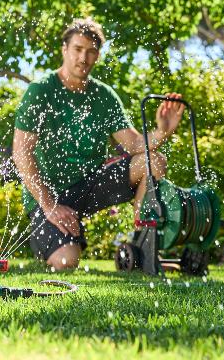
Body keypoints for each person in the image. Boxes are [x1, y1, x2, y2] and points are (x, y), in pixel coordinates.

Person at [12, 17, 185, 271]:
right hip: (48, 194)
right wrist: (50, 206)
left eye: (91, 51)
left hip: (90, 184)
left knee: (153, 161)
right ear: (64, 50)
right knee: (66, 261)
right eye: (78, 49)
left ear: (98, 55)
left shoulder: (103, 95)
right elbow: (21, 153)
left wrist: (162, 131)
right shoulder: (41, 91)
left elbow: (135, 144)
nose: (84, 58)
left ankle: (143, 247)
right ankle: (52, 240)